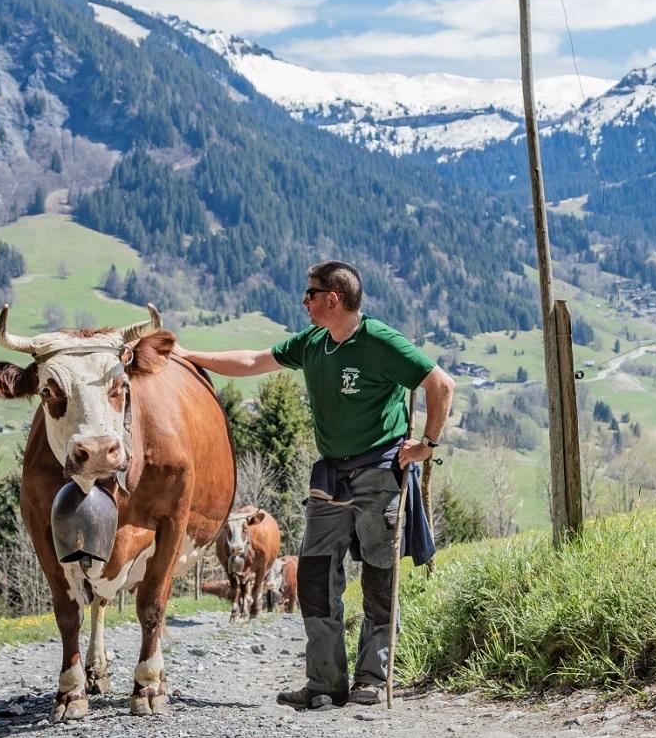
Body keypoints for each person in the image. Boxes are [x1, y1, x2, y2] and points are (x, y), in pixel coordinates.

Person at [174, 260, 454, 709]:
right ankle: (325, 683)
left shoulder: (381, 342)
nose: (304, 301)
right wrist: (187, 356)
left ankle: (371, 679)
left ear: (333, 298)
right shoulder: (313, 344)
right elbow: (251, 361)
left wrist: (427, 443)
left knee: (380, 581)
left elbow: (440, 384)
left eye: (310, 293)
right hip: (329, 478)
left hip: (380, 473)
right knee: (317, 579)